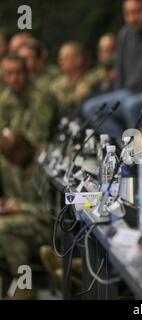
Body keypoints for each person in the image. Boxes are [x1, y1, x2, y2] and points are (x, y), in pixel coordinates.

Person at [0, 54, 58, 299]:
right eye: (8, 73)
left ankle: (25, 284)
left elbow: (38, 138)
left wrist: (17, 206)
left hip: (36, 162)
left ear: (28, 72)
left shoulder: (43, 98)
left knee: (3, 228)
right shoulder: (4, 100)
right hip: (18, 157)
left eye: (19, 72)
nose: (14, 78)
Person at [81, 0, 142, 141]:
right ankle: (122, 145)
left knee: (131, 106)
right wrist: (117, 93)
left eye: (137, 12)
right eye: (128, 14)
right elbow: (121, 69)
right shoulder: (124, 33)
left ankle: (138, 151)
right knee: (90, 108)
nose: (132, 18)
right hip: (127, 92)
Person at [50, 41, 91, 118]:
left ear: (78, 60)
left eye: (65, 57)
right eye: (60, 57)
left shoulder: (90, 82)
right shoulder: (56, 84)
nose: (60, 61)